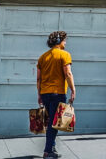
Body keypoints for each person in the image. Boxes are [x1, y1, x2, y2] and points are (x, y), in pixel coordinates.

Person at [36, 31, 75, 159]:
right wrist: (73, 90)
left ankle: (51, 148)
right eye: (64, 40)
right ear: (59, 41)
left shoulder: (42, 57)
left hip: (45, 93)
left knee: (50, 122)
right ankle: (48, 151)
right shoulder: (65, 55)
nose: (65, 42)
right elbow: (68, 74)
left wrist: (39, 95)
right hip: (58, 93)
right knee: (55, 123)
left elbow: (38, 79)